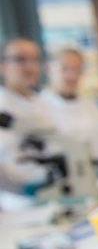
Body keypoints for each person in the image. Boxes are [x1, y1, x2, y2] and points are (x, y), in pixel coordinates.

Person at [0, 38, 52, 205]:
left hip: (51, 192)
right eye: (20, 59)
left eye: (35, 60)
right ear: (3, 65)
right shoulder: (3, 105)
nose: (30, 66)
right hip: (18, 202)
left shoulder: (41, 102)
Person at [40, 47, 98, 158]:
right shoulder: (40, 107)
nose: (72, 76)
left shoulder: (90, 105)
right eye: (65, 69)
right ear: (49, 69)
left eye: (77, 70)